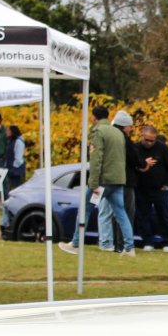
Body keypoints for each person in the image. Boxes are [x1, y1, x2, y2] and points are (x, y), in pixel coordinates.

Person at [60, 105, 134, 256]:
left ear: (94, 117)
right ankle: (129, 247)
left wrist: (93, 183)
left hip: (103, 181)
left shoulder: (98, 132)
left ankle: (75, 243)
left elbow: (95, 159)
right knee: (121, 213)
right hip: (118, 179)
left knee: (85, 210)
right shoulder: (118, 133)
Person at [5, 126, 26, 196]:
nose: (6, 132)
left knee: (17, 188)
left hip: (16, 170)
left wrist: (13, 167)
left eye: (8, 131)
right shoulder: (10, 141)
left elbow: (18, 157)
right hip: (10, 168)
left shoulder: (18, 141)